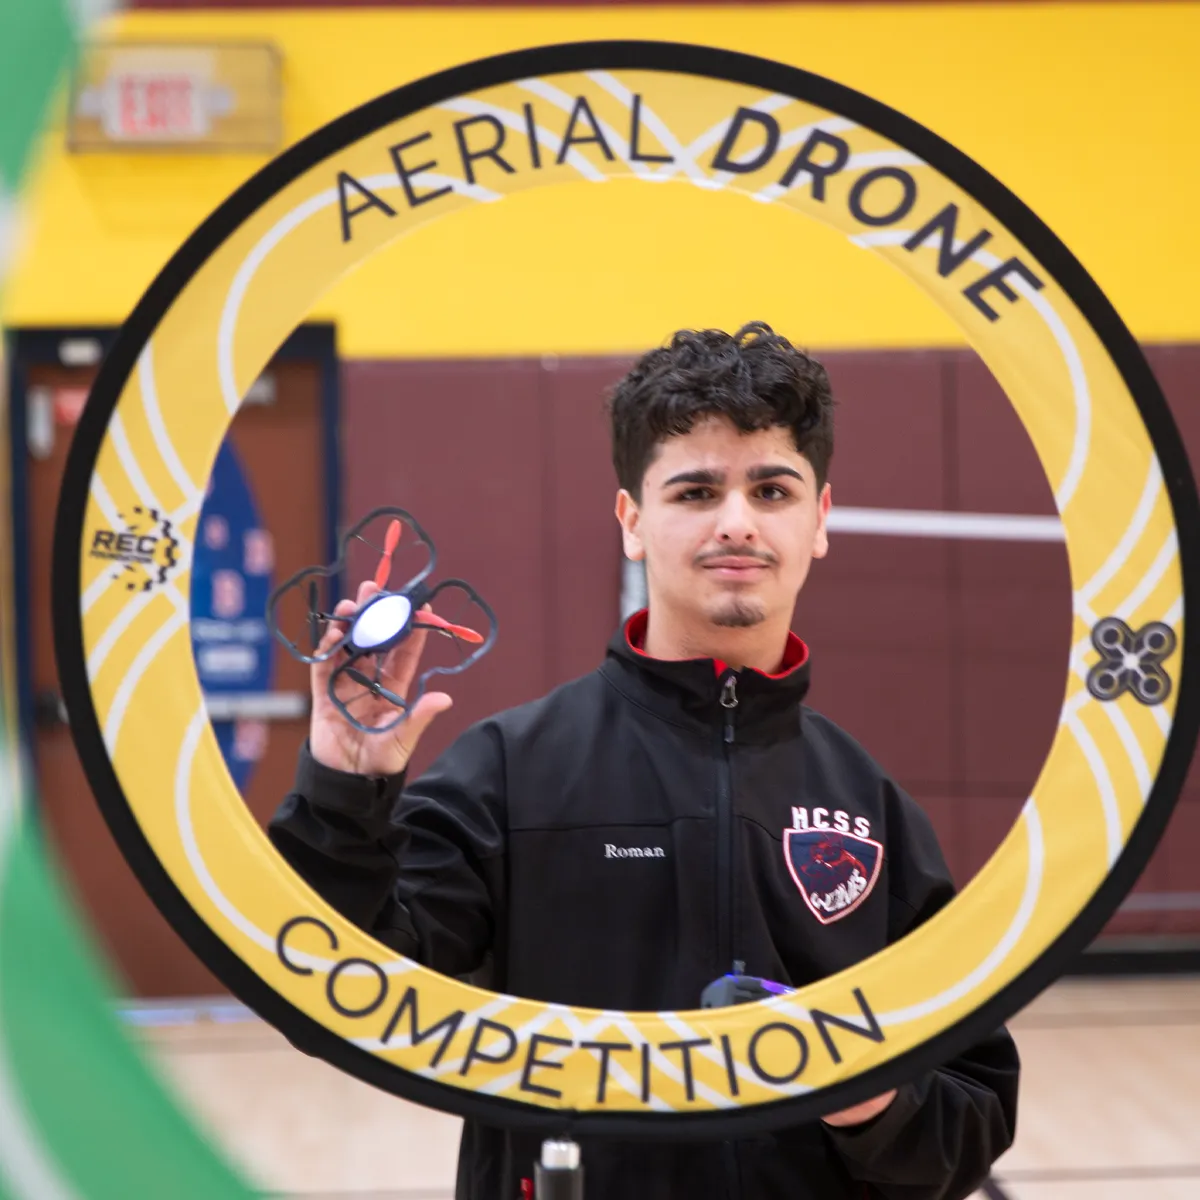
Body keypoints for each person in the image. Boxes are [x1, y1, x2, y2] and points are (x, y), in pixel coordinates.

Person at [270, 322, 1019, 1199]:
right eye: (696, 491)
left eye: (772, 489)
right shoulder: (510, 773)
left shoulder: (874, 808)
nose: (736, 522)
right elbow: (335, 998)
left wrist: (864, 1092)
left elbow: (970, 1118)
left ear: (819, 520)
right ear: (632, 521)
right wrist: (343, 787)